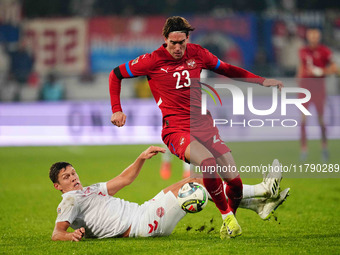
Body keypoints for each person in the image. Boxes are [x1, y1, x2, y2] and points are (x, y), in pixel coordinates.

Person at [109, 16, 284, 239]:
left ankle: (230, 222)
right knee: (208, 164)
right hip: (176, 129)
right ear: (165, 39)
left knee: (235, 183)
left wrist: (261, 80)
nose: (177, 47)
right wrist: (116, 108)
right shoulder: (152, 60)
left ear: (187, 39)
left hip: (203, 124)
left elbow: (227, 69)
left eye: (181, 42)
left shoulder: (198, 53)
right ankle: (226, 217)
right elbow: (116, 74)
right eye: (173, 42)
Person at [50, 146, 290, 241]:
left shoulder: (88, 190)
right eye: (66, 177)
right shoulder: (70, 199)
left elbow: (124, 179)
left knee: (192, 181)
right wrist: (71, 237)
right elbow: (56, 233)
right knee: (195, 183)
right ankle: (262, 190)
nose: (73, 178)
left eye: (73, 173)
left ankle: (258, 205)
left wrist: (140, 158)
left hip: (142, 212)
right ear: (58, 186)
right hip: (140, 226)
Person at [297, 28, 338, 162]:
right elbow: (302, 68)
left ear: (318, 37)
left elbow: (336, 69)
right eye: (311, 36)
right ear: (308, 37)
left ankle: (324, 147)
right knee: (303, 120)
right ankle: (304, 150)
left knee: (321, 120)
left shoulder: (324, 51)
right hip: (305, 89)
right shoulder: (303, 51)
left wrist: (322, 71)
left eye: (315, 36)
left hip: (319, 90)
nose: (313, 38)